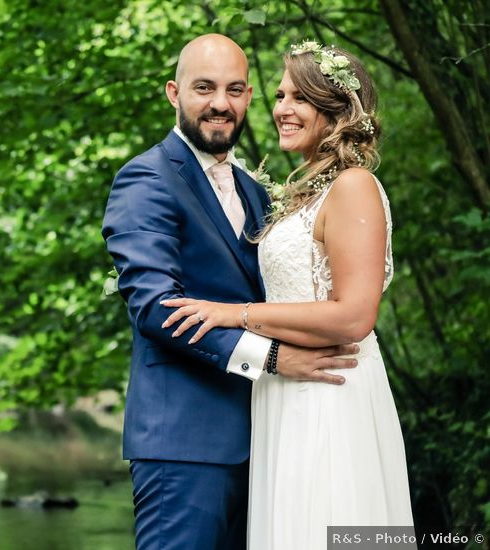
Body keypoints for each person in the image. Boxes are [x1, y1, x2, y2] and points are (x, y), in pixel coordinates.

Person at [101, 34, 359, 550]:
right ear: (175, 93)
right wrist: (270, 360)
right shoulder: (146, 179)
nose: (221, 102)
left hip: (273, 440)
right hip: (185, 446)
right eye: (204, 88)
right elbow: (155, 308)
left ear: (246, 99)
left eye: (235, 89)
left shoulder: (254, 190)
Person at [159, 42, 415, 548]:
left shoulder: (354, 186)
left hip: (329, 392)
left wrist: (236, 315)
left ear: (336, 109)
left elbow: (354, 316)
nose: (280, 109)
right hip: (282, 390)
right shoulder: (306, 192)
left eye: (299, 97)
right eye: (279, 95)